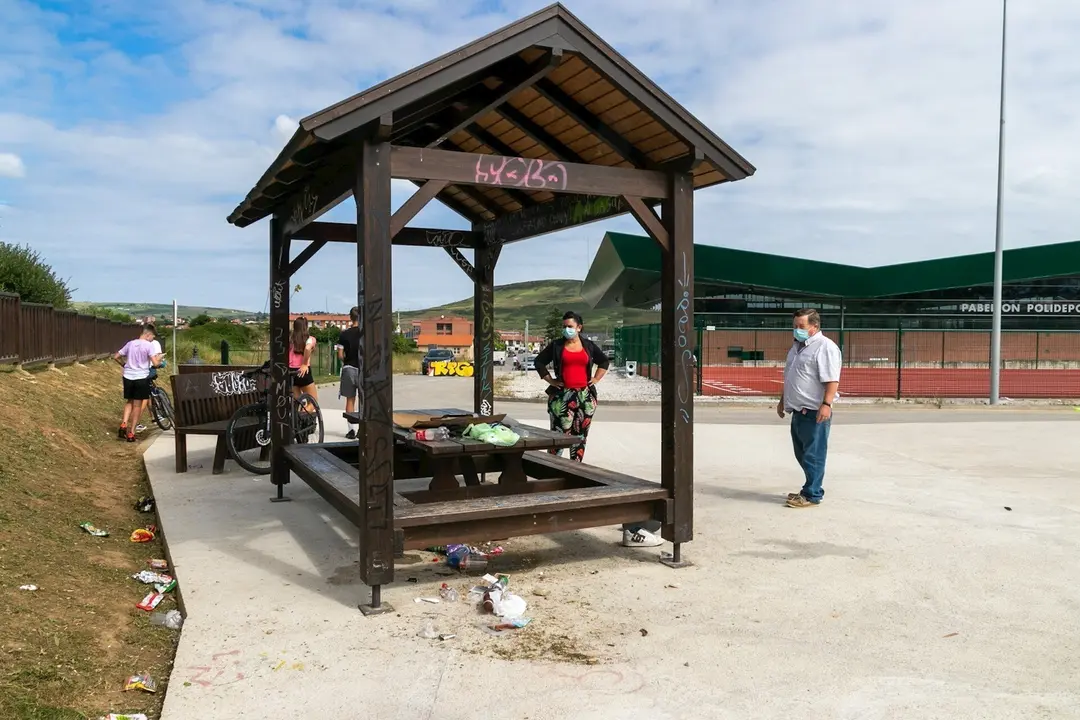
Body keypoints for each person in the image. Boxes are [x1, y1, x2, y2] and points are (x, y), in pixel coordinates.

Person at [776, 308, 842, 508]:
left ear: (814, 326)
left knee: (814, 454)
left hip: (814, 411)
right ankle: (808, 487)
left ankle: (812, 494)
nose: (797, 330)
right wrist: (783, 401)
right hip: (798, 410)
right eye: (795, 326)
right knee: (802, 453)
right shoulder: (797, 347)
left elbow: (832, 379)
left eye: (801, 326)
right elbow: (791, 377)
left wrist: (826, 404)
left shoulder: (825, 347)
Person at [534, 311, 609, 462]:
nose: (566, 329)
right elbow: (539, 362)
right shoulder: (557, 345)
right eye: (564, 326)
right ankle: (553, 469)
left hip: (585, 397)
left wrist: (595, 378)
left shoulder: (588, 346)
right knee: (558, 436)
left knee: (580, 436)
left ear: (579, 327)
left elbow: (604, 361)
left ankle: (576, 469)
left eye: (570, 326)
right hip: (562, 396)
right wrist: (551, 381)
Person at [115, 325, 163, 442]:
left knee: (129, 401)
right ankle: (131, 433)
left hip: (128, 376)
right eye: (152, 337)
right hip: (141, 377)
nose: (152, 339)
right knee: (137, 405)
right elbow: (155, 363)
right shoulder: (149, 346)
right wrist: (160, 358)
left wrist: (124, 365)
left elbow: (116, 356)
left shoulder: (130, 343)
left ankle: (123, 424)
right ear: (148, 334)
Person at [337, 307, 361, 440]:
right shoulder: (365, 333)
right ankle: (362, 429)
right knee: (364, 400)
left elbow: (340, 355)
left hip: (348, 369)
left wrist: (345, 359)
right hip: (363, 369)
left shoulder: (344, 334)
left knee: (350, 400)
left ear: (350, 318)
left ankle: (351, 430)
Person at [289, 316, 319, 402]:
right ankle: (303, 414)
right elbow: (308, 348)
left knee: (297, 403)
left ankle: (297, 414)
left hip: (291, 371)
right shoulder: (310, 339)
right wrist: (305, 364)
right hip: (303, 372)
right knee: (313, 402)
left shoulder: (290, 339)